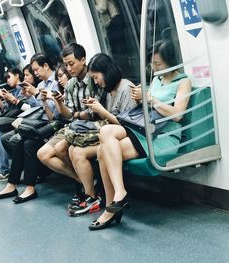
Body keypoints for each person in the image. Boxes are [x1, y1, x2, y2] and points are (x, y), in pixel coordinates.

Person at [89, 40, 192, 230]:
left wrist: (151, 99)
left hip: (163, 135)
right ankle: (118, 193)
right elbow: (147, 107)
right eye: (152, 64)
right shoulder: (156, 79)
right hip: (146, 129)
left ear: (171, 61)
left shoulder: (183, 81)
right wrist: (140, 98)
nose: (154, 67)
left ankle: (111, 208)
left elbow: (178, 116)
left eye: (158, 64)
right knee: (105, 132)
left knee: (103, 151)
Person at [0, 60, 71, 203]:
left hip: (57, 124)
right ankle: (12, 184)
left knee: (28, 143)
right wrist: (34, 98)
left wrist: (40, 96)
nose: (35, 73)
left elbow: (60, 115)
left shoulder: (57, 86)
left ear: (46, 65)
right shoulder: (41, 86)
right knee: (22, 141)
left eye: (36, 70)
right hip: (47, 121)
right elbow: (44, 111)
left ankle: (29, 188)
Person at [67, 53, 136, 216]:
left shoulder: (126, 88)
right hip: (109, 135)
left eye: (96, 77)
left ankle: (94, 197)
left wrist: (103, 111)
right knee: (71, 149)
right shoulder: (109, 91)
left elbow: (128, 126)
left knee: (78, 152)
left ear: (106, 72)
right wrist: (95, 109)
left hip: (122, 137)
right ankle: (90, 193)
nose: (96, 82)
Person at [37, 43, 102, 191]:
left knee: (60, 149)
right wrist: (59, 102)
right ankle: (83, 180)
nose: (69, 68)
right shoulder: (70, 84)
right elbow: (68, 114)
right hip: (74, 126)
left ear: (83, 60)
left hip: (92, 126)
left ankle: (88, 186)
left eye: (71, 64)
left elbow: (93, 113)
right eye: (66, 65)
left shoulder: (94, 80)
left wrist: (77, 114)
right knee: (43, 154)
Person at [0, 67, 39, 182]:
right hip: (12, 119)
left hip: (19, 121)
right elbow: (7, 110)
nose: (8, 80)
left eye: (9, 77)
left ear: (16, 76)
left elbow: (27, 108)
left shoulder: (24, 90)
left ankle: (4, 170)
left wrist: (12, 99)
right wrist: (0, 99)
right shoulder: (14, 91)